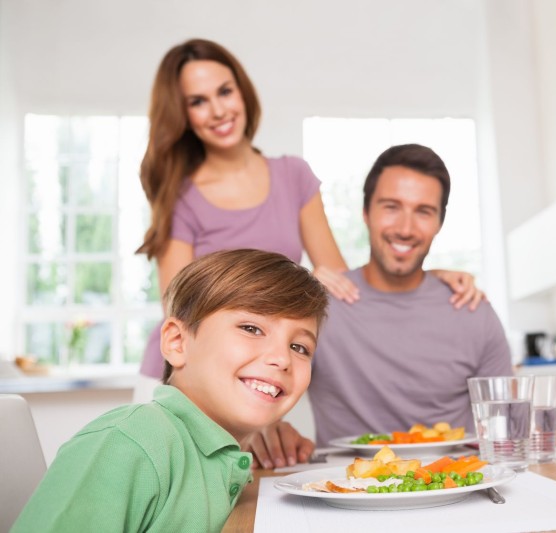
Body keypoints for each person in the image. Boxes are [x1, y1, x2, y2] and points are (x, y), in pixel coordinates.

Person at [136, 38, 483, 386]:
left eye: (225, 92)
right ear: (183, 115)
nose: (218, 110)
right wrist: (297, 281)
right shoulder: (180, 195)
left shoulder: (293, 176)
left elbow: (344, 286)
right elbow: (179, 306)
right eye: (198, 101)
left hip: (262, 371)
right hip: (186, 374)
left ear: (242, 92)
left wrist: (423, 279)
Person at [12, 249, 328, 533]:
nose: (282, 358)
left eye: (300, 347)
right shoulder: (127, 442)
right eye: (251, 328)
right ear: (177, 343)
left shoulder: (230, 456)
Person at [247, 143, 513, 469]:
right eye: (391, 207)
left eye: (423, 211)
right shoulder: (320, 306)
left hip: (458, 483)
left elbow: (508, 424)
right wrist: (264, 428)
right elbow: (260, 386)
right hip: (347, 487)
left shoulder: (473, 309)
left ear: (440, 223)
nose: (405, 228)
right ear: (366, 212)